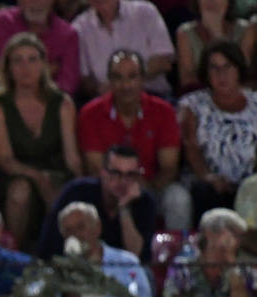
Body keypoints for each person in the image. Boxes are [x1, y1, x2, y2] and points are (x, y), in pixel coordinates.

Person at [0, 32, 81, 251]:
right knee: (21, 191)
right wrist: (37, 177)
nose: (25, 67)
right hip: (16, 174)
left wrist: (80, 184)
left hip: (55, 172)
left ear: (44, 65)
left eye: (32, 59)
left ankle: (64, 254)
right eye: (17, 60)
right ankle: (14, 254)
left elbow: (72, 157)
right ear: (7, 67)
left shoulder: (62, 103)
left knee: (65, 189)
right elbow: (5, 160)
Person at [77, 50, 187, 231]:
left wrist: (145, 188)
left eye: (132, 77)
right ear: (109, 82)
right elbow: (95, 168)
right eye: (118, 78)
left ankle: (172, 255)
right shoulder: (91, 114)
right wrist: (120, 189)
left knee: (178, 198)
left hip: (151, 187)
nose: (125, 85)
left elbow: (169, 167)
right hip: (107, 191)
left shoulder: (164, 112)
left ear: (143, 80)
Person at [179, 40, 257, 217]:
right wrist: (208, 176)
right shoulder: (192, 104)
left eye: (227, 67)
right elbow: (190, 146)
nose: (221, 75)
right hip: (209, 183)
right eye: (214, 68)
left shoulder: (256, 103)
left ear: (238, 69)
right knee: (206, 192)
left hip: (250, 184)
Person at [38, 145, 155, 261]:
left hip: (120, 271)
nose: (123, 181)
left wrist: (124, 208)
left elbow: (134, 258)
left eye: (130, 175)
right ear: (103, 173)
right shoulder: (77, 193)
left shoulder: (144, 202)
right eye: (115, 173)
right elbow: (49, 246)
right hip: (76, 266)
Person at [53, 200, 153, 297]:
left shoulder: (127, 262)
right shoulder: (60, 273)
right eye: (68, 231)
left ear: (98, 227)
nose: (76, 235)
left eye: (81, 227)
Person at [72, 0, 175, 98]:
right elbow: (84, 79)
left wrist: (126, 80)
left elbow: (164, 61)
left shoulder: (145, 12)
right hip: (107, 101)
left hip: (152, 94)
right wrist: (100, 90)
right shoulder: (79, 28)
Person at [0, 0, 80, 96]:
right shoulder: (0, 22)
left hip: (49, 100)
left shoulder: (68, 33)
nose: (36, 2)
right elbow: (6, 72)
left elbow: (67, 84)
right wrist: (47, 71)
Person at [162, 207, 256, 297]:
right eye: (233, 234)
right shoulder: (183, 265)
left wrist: (233, 270)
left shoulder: (244, 269)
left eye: (238, 237)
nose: (236, 241)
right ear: (210, 234)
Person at [176, 0, 256, 93]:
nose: (212, 1)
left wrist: (217, 31)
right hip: (202, 96)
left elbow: (242, 73)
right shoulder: (185, 33)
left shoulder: (247, 30)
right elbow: (187, 81)